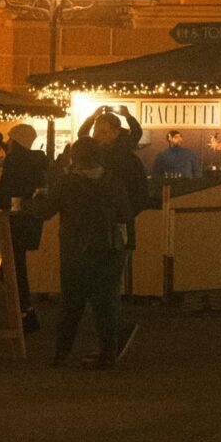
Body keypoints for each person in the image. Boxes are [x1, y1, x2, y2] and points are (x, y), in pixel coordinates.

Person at [31, 111, 143, 368]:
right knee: (106, 305)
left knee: (71, 304)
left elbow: (44, 212)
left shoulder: (67, 182)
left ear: (75, 157)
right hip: (110, 249)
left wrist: (36, 199)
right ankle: (108, 354)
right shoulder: (113, 182)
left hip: (75, 250)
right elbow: (126, 215)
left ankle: (61, 355)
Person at [0, 122, 51, 338]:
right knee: (15, 266)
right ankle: (23, 312)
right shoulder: (39, 162)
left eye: (10, 139)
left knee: (13, 268)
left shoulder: (14, 161)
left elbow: (4, 192)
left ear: (16, 141)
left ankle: (24, 313)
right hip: (30, 221)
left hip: (14, 221)